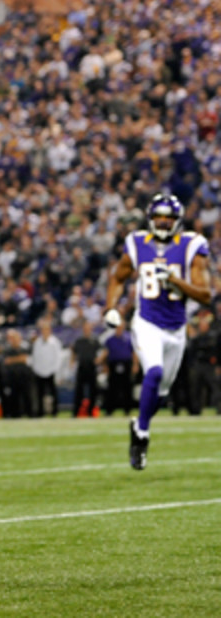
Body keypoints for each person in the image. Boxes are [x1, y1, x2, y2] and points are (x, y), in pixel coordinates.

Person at [105, 193, 212, 469]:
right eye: (159, 217)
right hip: (147, 321)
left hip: (176, 329)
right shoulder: (138, 242)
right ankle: (141, 434)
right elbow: (118, 278)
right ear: (150, 218)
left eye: (169, 218)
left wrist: (176, 281)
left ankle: (139, 424)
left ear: (178, 221)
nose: (163, 222)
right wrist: (110, 307)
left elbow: (205, 295)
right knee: (153, 372)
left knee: (160, 394)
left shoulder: (191, 245)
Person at [100, 321, 134, 416]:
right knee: (112, 388)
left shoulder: (129, 338)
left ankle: (127, 410)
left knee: (127, 387)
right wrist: (105, 365)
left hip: (126, 363)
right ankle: (109, 410)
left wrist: (135, 365)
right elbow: (106, 353)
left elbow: (133, 352)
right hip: (113, 364)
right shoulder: (110, 340)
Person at [30, 316, 61, 417]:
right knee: (40, 393)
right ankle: (40, 412)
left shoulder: (55, 342)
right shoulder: (37, 342)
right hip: (39, 371)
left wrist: (54, 369)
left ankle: (54, 412)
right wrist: (36, 369)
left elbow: (57, 357)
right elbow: (35, 357)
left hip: (51, 371)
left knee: (53, 393)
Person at [69, 319, 101, 417]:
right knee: (79, 390)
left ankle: (91, 411)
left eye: (88, 328)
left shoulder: (95, 340)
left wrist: (99, 360)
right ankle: (76, 412)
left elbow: (104, 350)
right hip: (82, 366)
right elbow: (73, 351)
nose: (87, 330)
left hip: (92, 367)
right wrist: (72, 361)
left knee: (93, 390)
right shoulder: (79, 341)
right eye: (85, 328)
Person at [0, 328, 33, 418]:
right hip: (12, 377)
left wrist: (13, 360)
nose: (13, 340)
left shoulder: (26, 348)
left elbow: (26, 359)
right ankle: (15, 415)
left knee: (27, 397)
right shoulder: (7, 350)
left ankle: (30, 415)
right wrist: (19, 359)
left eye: (15, 337)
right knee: (14, 398)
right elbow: (6, 361)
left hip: (25, 376)